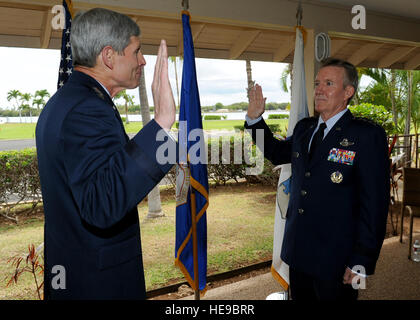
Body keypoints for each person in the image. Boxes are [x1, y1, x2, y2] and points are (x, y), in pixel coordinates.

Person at [36, 8, 176, 300]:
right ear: (109, 56)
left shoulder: (69, 101)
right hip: (97, 283)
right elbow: (102, 203)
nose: (143, 60)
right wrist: (162, 123)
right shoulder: (87, 109)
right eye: (136, 51)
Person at [245, 58, 390, 300]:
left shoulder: (366, 135)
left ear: (348, 92)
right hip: (299, 251)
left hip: (336, 257)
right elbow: (277, 152)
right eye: (317, 83)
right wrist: (254, 120)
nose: (319, 89)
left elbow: (374, 205)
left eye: (329, 83)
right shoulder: (305, 128)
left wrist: (361, 261)